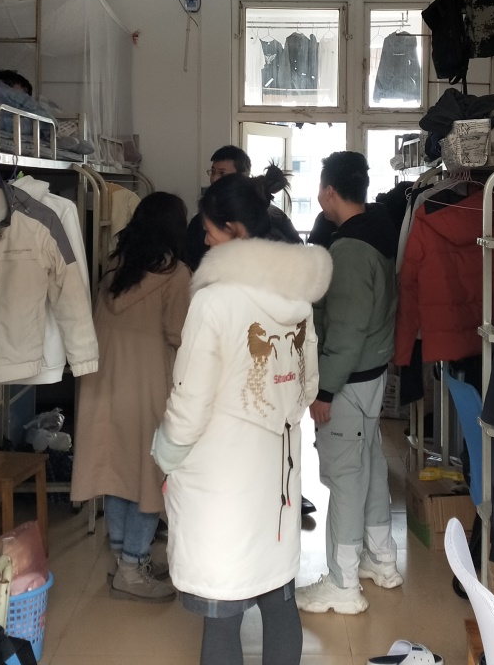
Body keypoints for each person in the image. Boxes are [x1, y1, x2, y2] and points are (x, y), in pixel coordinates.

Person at [152, 166, 332, 665]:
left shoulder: (214, 302)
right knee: (279, 598)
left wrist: (168, 453)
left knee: (223, 609)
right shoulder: (297, 296)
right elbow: (307, 384)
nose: (204, 240)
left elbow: (190, 401)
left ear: (233, 230)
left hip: (221, 477)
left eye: (210, 231)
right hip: (277, 471)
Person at [70, 192, 192, 602]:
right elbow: (179, 334)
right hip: (147, 387)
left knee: (117, 472)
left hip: (104, 385)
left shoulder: (115, 267)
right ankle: (132, 567)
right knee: (147, 476)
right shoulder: (176, 276)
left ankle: (125, 560)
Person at [296, 151, 403, 616]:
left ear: (328, 191)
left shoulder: (349, 250)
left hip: (348, 380)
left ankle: (342, 584)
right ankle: (381, 560)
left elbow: (344, 328)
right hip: (372, 371)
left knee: (344, 477)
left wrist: (323, 390)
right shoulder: (379, 230)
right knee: (370, 465)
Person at [184, 145, 301, 269]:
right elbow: (191, 262)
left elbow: (296, 250)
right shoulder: (201, 220)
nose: (214, 178)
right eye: (213, 172)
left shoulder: (274, 216)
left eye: (222, 173)